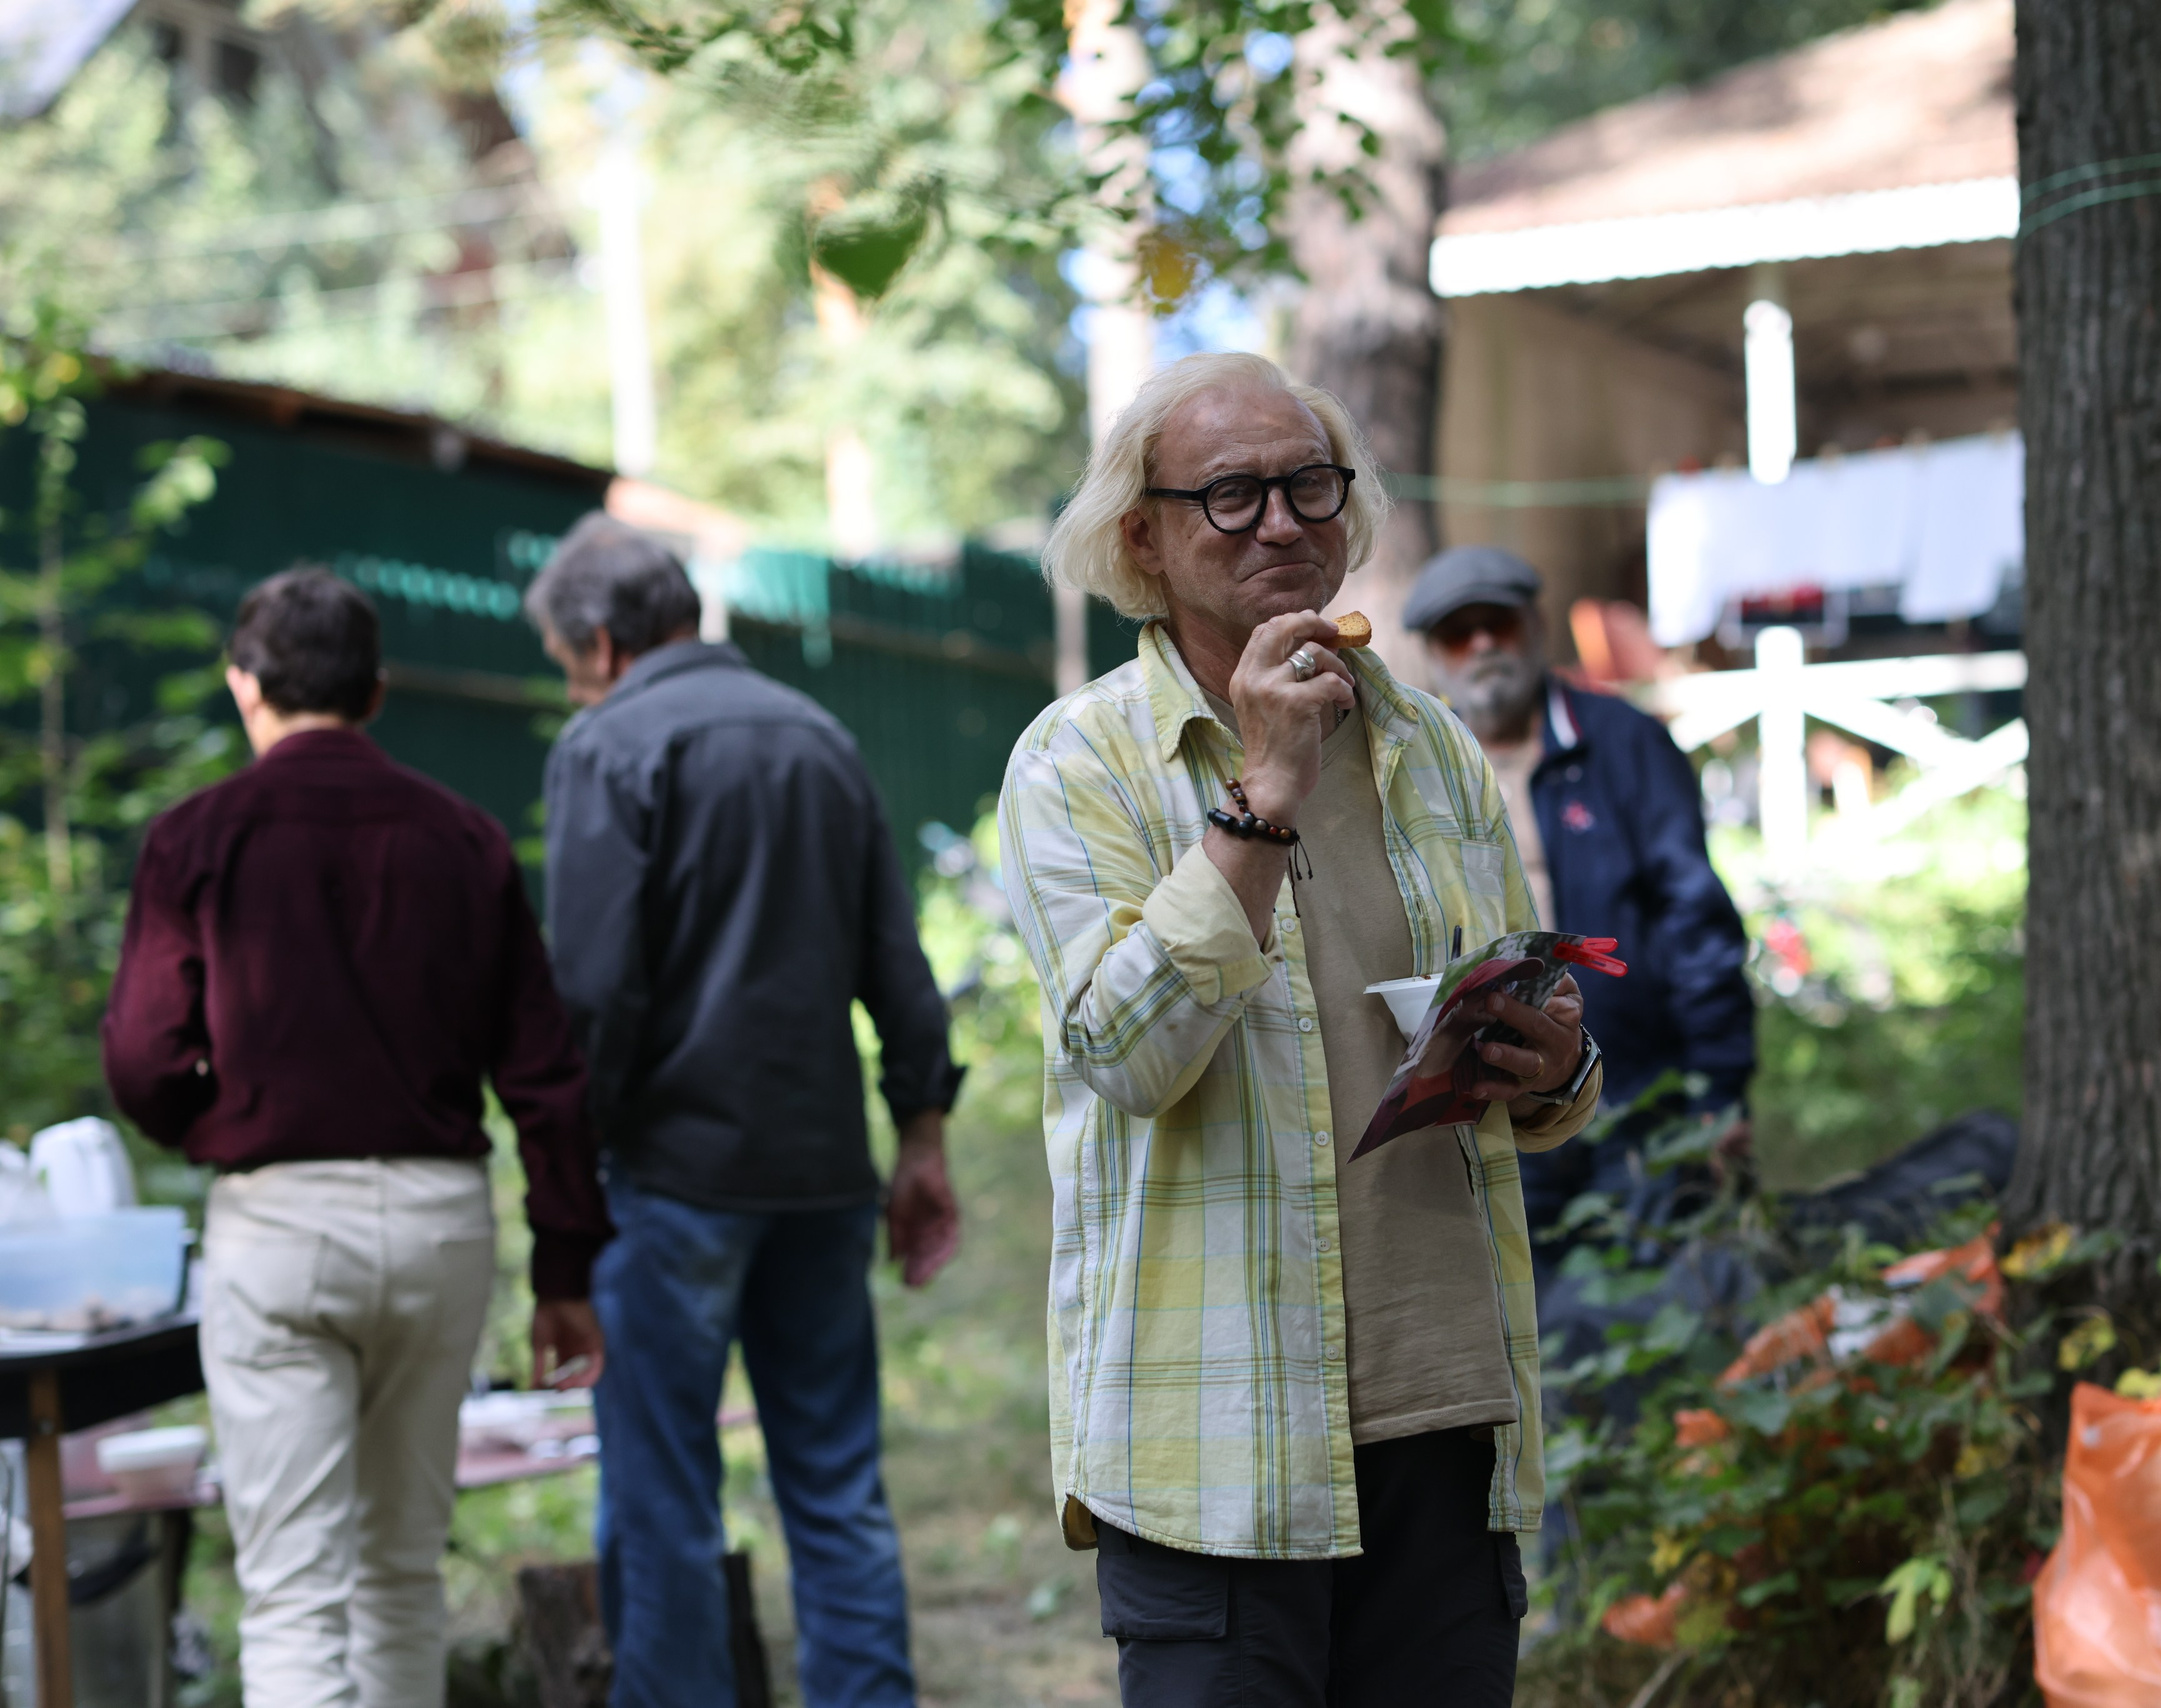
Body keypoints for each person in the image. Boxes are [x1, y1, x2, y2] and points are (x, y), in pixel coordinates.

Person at [998, 351, 1605, 1708]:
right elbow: (1128, 1054)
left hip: (1448, 1407)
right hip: (1215, 1440)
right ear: (1139, 535)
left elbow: (1519, 1019)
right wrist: (1265, 789)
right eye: (1230, 495)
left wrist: (1557, 1063)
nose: (1280, 521)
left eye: (1307, 484)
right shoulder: (1076, 764)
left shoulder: (1431, 747)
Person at [102, 567, 611, 1708]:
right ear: (377, 692)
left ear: (245, 689)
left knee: (291, 1592)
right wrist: (565, 1268)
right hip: (437, 1225)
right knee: (398, 1573)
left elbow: (140, 1057)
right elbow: (544, 1075)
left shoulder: (194, 838)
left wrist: (215, 1122)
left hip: (277, 1224)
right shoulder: (466, 840)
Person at [529, 514, 964, 1708]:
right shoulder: (819, 735)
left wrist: (568, 1180)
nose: (574, 693)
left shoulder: (606, 745)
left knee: (662, 1500)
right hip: (823, 1176)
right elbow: (900, 965)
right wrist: (919, 1135)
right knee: (836, 1487)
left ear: (604, 645)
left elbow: (593, 994)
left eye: (570, 671)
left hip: (669, 1183)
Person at [1403, 547, 1754, 1261]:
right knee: (1530, 1330)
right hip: (1486, 1102)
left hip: (1635, 1092)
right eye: (1456, 633)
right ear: (1430, 653)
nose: (1482, 646)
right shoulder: (1410, 766)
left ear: (1534, 626)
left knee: (1654, 1313)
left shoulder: (1625, 745)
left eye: (1496, 623)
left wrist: (1720, 1089)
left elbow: (1695, 918)